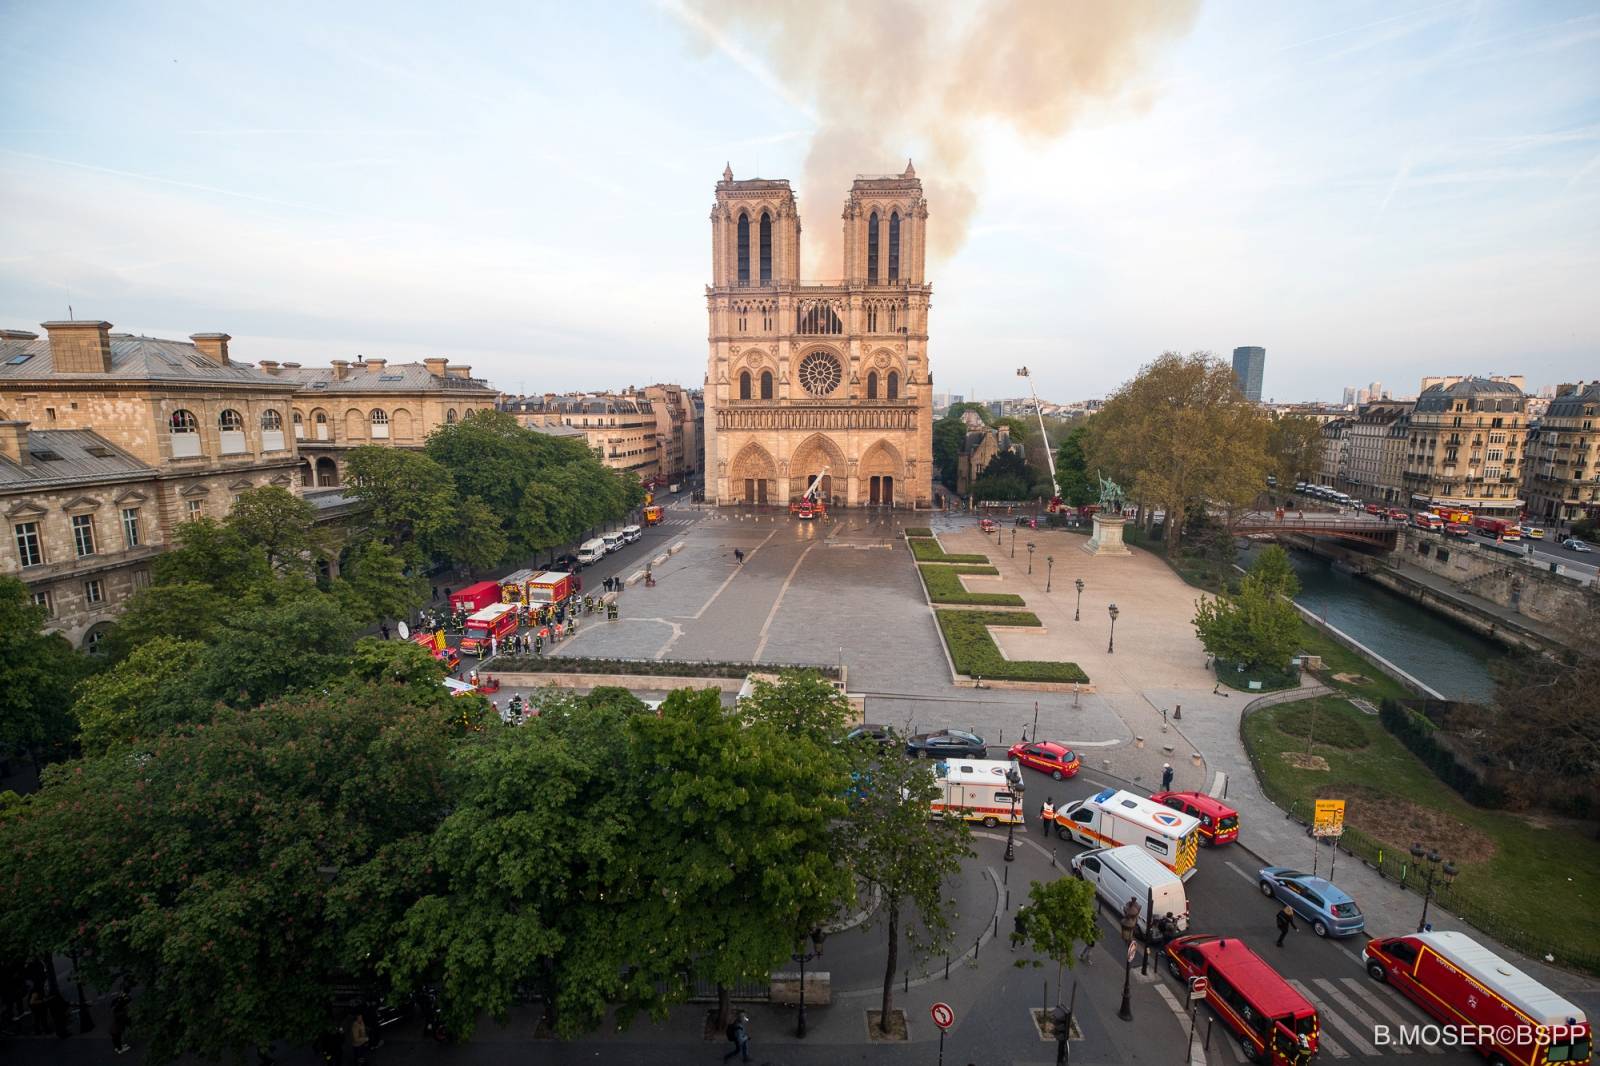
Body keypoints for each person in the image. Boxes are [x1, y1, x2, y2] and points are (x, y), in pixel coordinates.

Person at [110, 990, 131, 1054]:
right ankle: (120, 1049)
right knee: (118, 1038)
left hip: (113, 1028)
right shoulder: (122, 1013)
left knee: (115, 1038)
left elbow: (116, 1003)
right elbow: (126, 1020)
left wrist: (120, 998)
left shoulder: (115, 1010)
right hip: (117, 1029)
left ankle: (118, 1047)